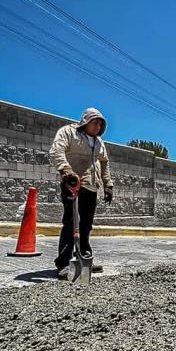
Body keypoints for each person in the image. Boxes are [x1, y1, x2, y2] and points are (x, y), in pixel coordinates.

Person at [49, 107, 114, 279]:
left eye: (100, 124)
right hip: (73, 184)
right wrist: (66, 171)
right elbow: (57, 151)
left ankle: (84, 258)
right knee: (71, 223)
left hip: (91, 187)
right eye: (95, 122)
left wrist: (108, 184)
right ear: (86, 120)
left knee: (86, 225)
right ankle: (63, 263)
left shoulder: (99, 142)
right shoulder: (69, 132)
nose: (98, 126)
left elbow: (104, 162)